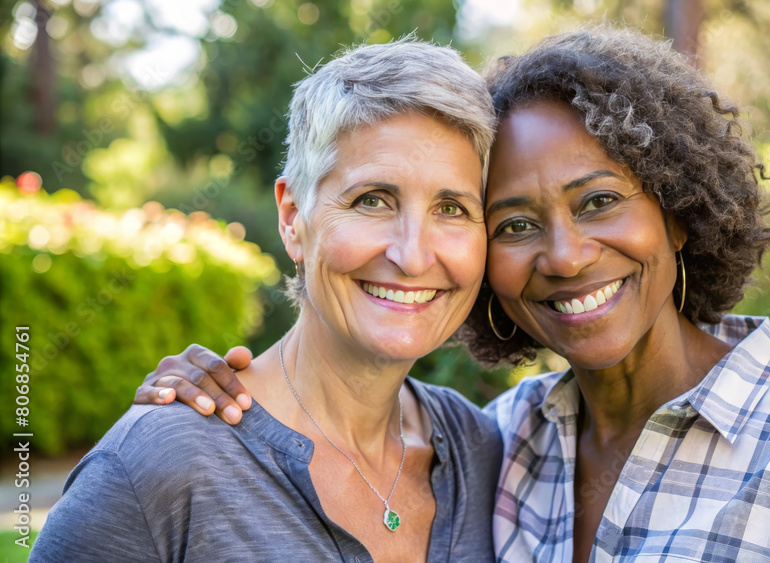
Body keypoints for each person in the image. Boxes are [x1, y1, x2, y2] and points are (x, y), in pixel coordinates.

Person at [134, 28, 770, 562]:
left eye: (599, 202)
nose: (565, 255)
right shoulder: (499, 444)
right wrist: (200, 399)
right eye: (513, 222)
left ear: (679, 212)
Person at [30, 39, 503, 562]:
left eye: (453, 208)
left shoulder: (482, 450)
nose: (413, 256)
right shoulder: (157, 469)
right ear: (292, 219)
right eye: (372, 200)